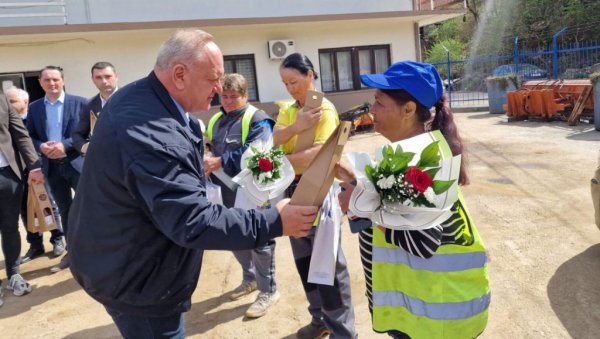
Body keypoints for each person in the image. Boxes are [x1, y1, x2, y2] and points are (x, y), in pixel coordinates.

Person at [67, 29, 317, 338]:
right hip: (138, 281)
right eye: (213, 80)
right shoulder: (154, 132)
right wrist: (275, 221)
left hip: (120, 259)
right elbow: (192, 221)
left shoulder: (138, 98)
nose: (217, 89)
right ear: (180, 74)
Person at [336, 61, 491, 338]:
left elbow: (422, 242)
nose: (372, 110)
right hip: (426, 311)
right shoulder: (413, 152)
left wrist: (363, 206)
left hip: (438, 316)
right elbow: (402, 209)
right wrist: (357, 182)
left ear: (408, 109)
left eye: (379, 102)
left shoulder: (422, 163)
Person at [273, 52, 357, 339]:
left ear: (310, 75)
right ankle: (319, 319)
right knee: (305, 261)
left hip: (320, 194)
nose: (290, 88)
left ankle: (343, 331)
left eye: (294, 81)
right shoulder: (289, 109)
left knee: (329, 266)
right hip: (292, 192)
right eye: (285, 83)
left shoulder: (326, 110)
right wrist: (296, 128)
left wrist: (279, 160)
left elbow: (322, 157)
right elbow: (272, 141)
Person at [204, 73, 280, 318]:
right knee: (232, 235)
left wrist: (219, 161)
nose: (227, 101)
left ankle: (269, 290)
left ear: (245, 95)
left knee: (260, 239)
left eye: (233, 97)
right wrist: (207, 155)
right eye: (223, 96)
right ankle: (250, 279)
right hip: (224, 189)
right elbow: (210, 144)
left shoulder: (258, 119)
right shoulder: (216, 118)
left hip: (252, 190)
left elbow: (257, 153)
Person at [26, 66, 87, 273]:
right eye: (47, 80)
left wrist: (66, 145)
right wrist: (40, 146)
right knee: (65, 210)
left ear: (62, 81)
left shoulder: (80, 103)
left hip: (77, 165)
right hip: (51, 168)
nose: (52, 84)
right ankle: (73, 253)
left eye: (55, 80)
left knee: (88, 208)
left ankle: (96, 250)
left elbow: (87, 134)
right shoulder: (34, 108)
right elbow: (29, 136)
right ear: (41, 83)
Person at [5, 87, 63, 264]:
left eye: (13, 101)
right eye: (8, 101)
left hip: (38, 168)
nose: (9, 105)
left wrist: (35, 167)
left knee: (47, 204)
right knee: (26, 208)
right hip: (16, 172)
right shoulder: (4, 122)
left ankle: (57, 239)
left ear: (25, 102)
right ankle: (35, 244)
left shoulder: (34, 118)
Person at [0, 93, 45, 306]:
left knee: (10, 226)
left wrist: (35, 166)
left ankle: (14, 273)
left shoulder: (2, 100)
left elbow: (21, 134)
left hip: (7, 175)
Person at [72, 61, 119, 156]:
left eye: (108, 76)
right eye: (98, 78)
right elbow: (77, 134)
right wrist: (84, 147)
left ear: (116, 76)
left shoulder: (130, 99)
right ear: (93, 80)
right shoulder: (89, 104)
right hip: (102, 161)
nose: (104, 81)